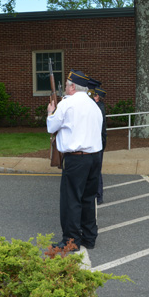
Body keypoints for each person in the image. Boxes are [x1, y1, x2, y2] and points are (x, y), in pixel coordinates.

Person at [47, 70, 103, 250]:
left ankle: (71, 241)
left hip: (76, 159)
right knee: (88, 198)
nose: (66, 88)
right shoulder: (94, 105)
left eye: (67, 85)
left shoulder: (67, 104)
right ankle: (89, 237)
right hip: (94, 157)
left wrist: (51, 112)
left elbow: (52, 126)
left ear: (72, 87)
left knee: (71, 199)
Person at [92, 86, 107, 204]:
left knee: (96, 170)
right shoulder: (99, 107)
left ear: (97, 96)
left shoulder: (98, 108)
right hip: (99, 142)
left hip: (97, 142)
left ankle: (98, 195)